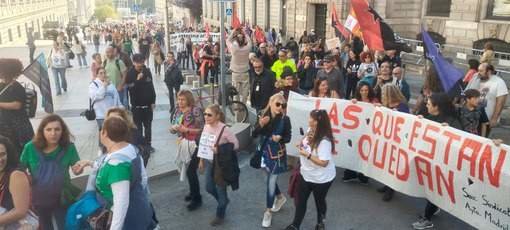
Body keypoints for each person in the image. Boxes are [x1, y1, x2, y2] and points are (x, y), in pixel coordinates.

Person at [81, 116, 156, 229]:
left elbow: (121, 203)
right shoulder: (128, 149)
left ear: (104, 133)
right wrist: (91, 163)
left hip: (129, 220)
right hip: (139, 208)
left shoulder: (117, 164)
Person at [20, 114, 84, 230]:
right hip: (39, 198)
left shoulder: (69, 147)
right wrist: (27, 178)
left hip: (62, 197)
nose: (53, 133)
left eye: (57, 129)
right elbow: (20, 170)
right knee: (45, 225)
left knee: (64, 225)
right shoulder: (30, 147)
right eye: (49, 129)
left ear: (62, 131)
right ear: (42, 131)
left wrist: (78, 169)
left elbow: (76, 169)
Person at [412, 93, 462, 230]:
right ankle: (433, 208)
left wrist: (450, 131)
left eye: (428, 104)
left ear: (437, 107)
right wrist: (420, 121)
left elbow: (461, 140)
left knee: (435, 189)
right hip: (431, 160)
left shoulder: (452, 122)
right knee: (433, 188)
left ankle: (427, 219)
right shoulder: (429, 117)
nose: (426, 105)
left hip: (444, 164)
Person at [285, 109, 336, 230]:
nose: (309, 120)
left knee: (319, 201)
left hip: (321, 179)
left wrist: (307, 155)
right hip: (306, 174)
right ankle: (295, 225)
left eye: (311, 119)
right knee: (300, 201)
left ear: (317, 122)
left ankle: (320, 223)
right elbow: (304, 140)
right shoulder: (310, 130)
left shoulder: (324, 141)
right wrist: (301, 144)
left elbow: (324, 163)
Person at [252, 93, 291, 228]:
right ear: (271, 103)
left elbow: (288, 137)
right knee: (267, 179)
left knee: (271, 182)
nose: (280, 107)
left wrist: (280, 138)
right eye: (277, 104)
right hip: (262, 151)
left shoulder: (285, 119)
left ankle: (268, 212)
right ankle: (280, 197)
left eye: (283, 105)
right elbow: (254, 134)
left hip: (276, 155)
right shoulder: (263, 115)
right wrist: (261, 125)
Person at [197, 105, 239, 226]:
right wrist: (201, 160)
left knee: (221, 191)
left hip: (222, 165)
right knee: (209, 188)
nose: (206, 117)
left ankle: (220, 214)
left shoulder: (225, 129)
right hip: (210, 162)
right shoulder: (206, 126)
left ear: (217, 116)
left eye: (209, 115)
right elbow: (204, 144)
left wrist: (219, 149)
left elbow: (236, 145)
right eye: (205, 114)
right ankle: (224, 201)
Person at [170, 90, 205, 211]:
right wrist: (174, 129)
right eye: (178, 99)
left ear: (188, 100)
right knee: (187, 168)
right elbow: (173, 127)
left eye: (182, 99)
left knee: (191, 171)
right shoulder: (178, 111)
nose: (180, 102)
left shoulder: (196, 110)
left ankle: (197, 198)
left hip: (196, 144)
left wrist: (186, 130)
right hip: (184, 143)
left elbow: (202, 129)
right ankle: (192, 192)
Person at [377, 84, 410, 202]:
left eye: (384, 93)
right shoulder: (387, 105)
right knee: (387, 164)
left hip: (398, 140)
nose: (382, 95)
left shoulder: (402, 106)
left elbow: (406, 122)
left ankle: (391, 190)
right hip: (387, 140)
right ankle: (386, 185)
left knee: (393, 165)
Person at [0, 59, 34, 154]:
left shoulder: (17, 87)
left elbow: (16, 105)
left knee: (19, 150)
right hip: (4, 124)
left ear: (7, 72)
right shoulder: (1, 85)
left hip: (17, 126)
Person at [125, 54, 156, 153]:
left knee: (148, 127)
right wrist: (137, 80)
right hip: (136, 107)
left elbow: (151, 87)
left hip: (147, 106)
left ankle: (148, 145)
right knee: (138, 128)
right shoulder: (130, 74)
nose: (140, 64)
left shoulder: (147, 71)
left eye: (141, 62)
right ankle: (140, 146)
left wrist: (153, 101)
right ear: (134, 62)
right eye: (138, 62)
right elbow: (131, 89)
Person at [466, 63, 508, 135]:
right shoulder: (476, 79)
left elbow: (500, 102)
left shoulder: (499, 82)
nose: (478, 73)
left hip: (485, 119)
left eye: (481, 71)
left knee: (481, 139)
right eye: (478, 70)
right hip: (470, 117)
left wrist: (494, 118)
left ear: (489, 72)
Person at [0, 136, 32, 226]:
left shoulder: (16, 175)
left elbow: (20, 211)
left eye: (2, 154)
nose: (0, 159)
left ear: (8, 154)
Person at [89, 67, 122, 137]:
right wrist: (104, 87)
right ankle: (102, 147)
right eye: (101, 73)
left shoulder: (111, 84)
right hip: (100, 115)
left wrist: (120, 108)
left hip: (111, 114)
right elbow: (97, 97)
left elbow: (116, 97)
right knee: (103, 134)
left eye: (104, 73)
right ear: (97, 74)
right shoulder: (93, 85)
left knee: (112, 134)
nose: (103, 75)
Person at [227, 28, 253, 104]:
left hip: (235, 73)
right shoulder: (247, 48)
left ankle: (237, 108)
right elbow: (249, 41)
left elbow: (228, 40)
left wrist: (233, 31)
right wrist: (245, 33)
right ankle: (243, 107)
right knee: (245, 93)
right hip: (245, 72)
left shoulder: (234, 48)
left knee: (235, 93)